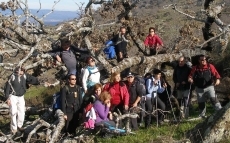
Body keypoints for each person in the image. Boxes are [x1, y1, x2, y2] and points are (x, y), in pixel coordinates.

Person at [5, 67, 40, 135]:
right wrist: (7, 98)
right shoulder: (12, 77)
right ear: (17, 70)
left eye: (23, 70)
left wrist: (39, 81)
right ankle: (14, 128)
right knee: (13, 112)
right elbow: (7, 87)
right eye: (21, 70)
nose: (22, 71)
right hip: (13, 96)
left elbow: (31, 79)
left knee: (22, 111)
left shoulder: (24, 76)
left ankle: (20, 126)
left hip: (21, 96)